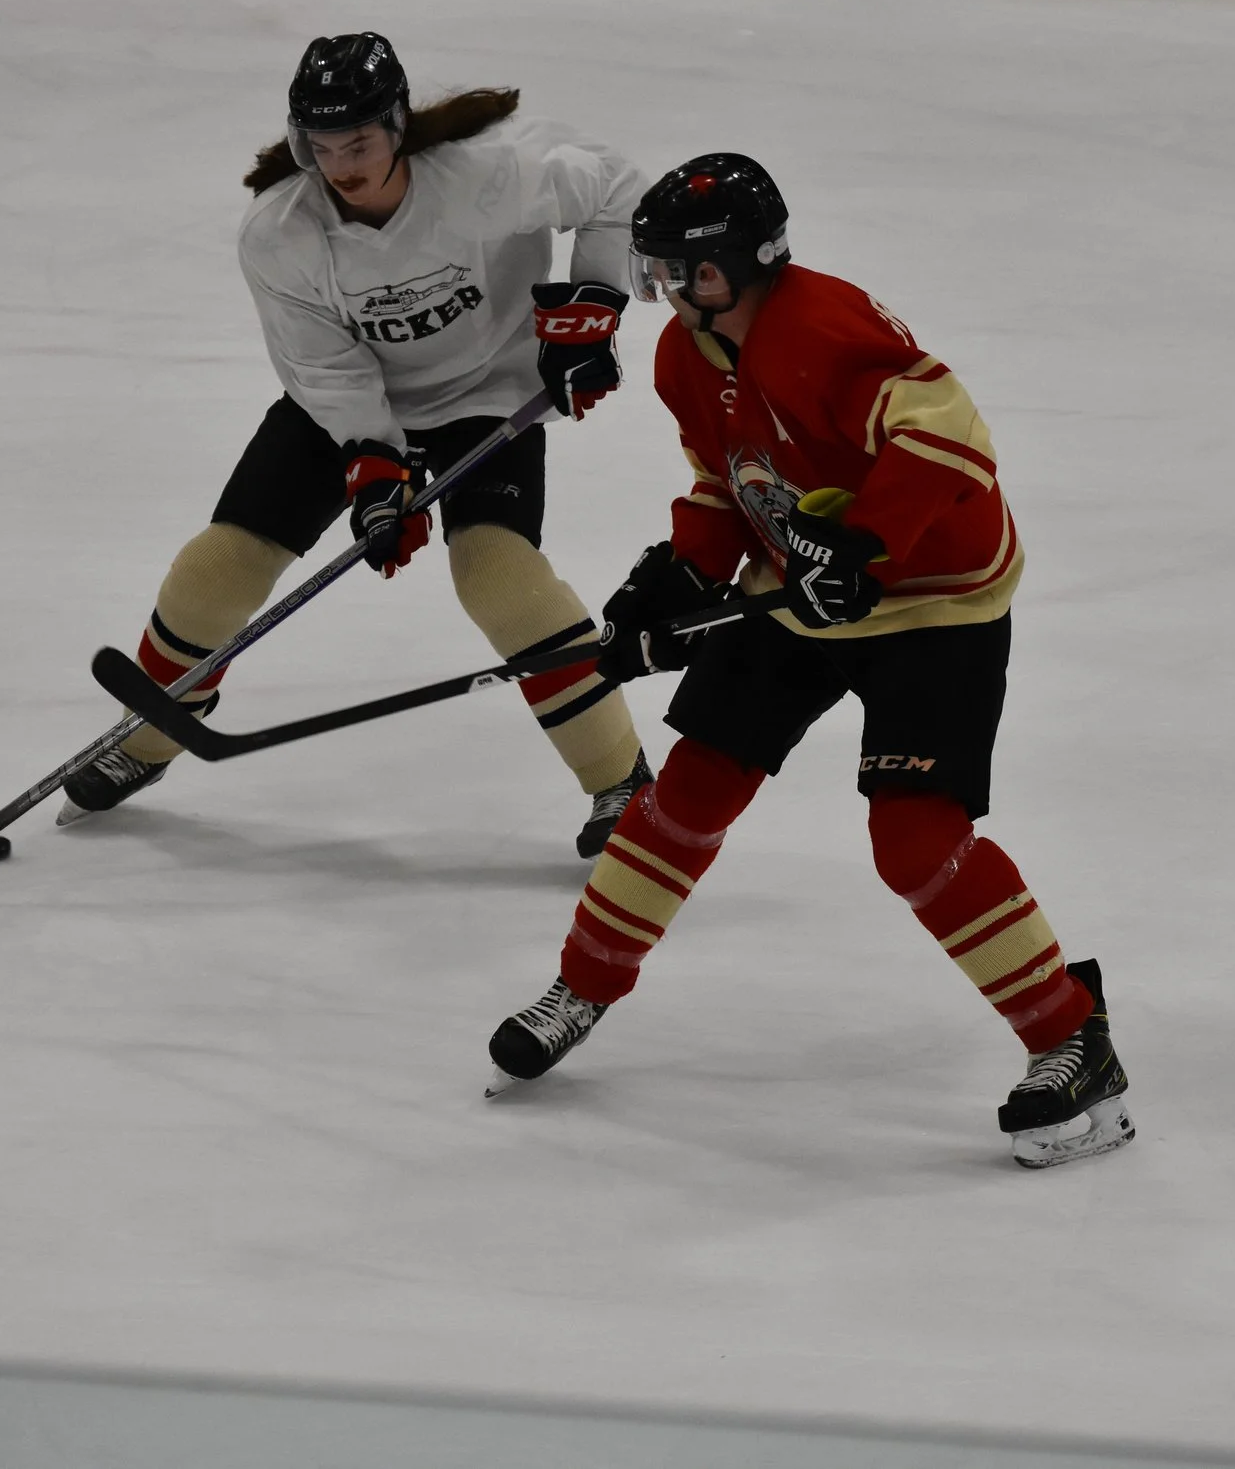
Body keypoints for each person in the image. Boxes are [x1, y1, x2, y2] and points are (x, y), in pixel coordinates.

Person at [480, 153, 1134, 1170]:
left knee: (915, 843)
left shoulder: (823, 328)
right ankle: (583, 986)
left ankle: (1070, 1036)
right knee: (687, 793)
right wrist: (676, 582)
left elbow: (950, 437)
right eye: (657, 271)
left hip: (936, 601)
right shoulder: (685, 354)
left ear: (744, 263)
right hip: (798, 594)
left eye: (685, 271)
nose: (666, 291)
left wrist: (866, 545)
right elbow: (728, 483)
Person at [61, 33, 653, 855]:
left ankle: (623, 782)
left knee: (502, 582)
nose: (340, 165)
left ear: (398, 126)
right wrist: (374, 463)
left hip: (485, 396)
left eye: (360, 143)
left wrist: (592, 304)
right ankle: (149, 736)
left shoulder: (489, 173)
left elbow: (619, 190)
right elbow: (327, 369)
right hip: (343, 405)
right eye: (323, 146)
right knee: (216, 569)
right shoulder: (281, 233)